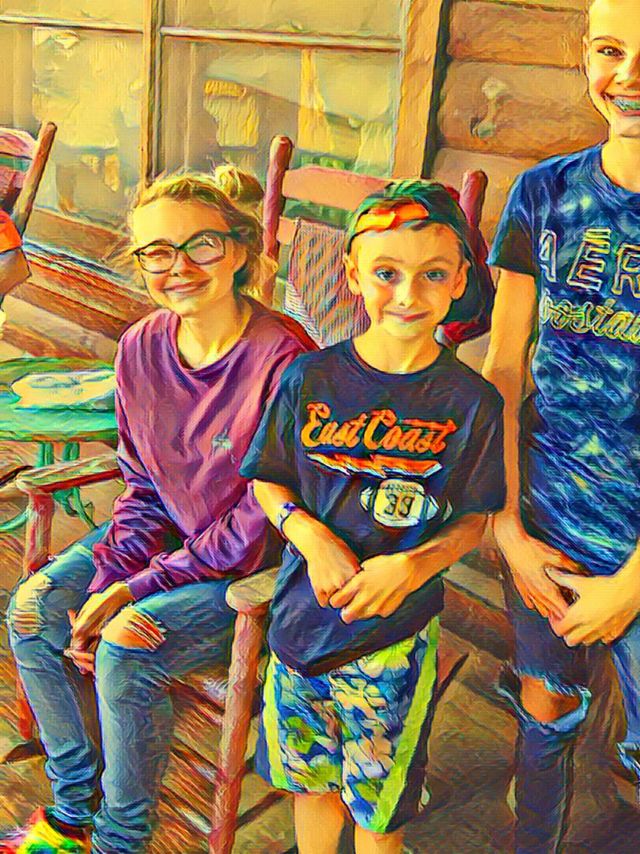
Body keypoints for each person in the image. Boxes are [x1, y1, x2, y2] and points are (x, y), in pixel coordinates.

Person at [3, 170, 311, 853]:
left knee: (127, 642)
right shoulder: (142, 346)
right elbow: (143, 488)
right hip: (175, 544)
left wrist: (130, 591)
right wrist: (105, 578)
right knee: (32, 611)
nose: (180, 267)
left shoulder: (285, 362)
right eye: (158, 252)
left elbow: (253, 533)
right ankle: (73, 808)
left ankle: (122, 838)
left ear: (239, 248)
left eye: (201, 245)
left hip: (257, 572)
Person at [240, 179, 505, 854]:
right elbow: (268, 477)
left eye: (432, 275)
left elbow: (475, 518)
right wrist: (311, 535)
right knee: (310, 785)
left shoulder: (471, 402)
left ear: (458, 281)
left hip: (393, 640)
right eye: (387, 273)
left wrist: (412, 566)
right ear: (354, 275)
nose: (408, 295)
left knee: (379, 811)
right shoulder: (309, 378)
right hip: (300, 625)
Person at [483, 0, 640, 850]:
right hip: (546, 515)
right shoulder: (543, 196)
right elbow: (504, 370)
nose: (629, 76)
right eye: (611, 50)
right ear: (584, 55)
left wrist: (633, 584)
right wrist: (506, 525)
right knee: (545, 707)